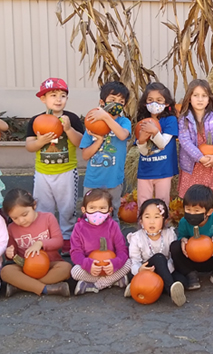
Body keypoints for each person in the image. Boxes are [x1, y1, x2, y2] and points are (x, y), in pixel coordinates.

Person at [25, 78, 85, 252]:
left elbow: (80, 142)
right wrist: (39, 141)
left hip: (66, 171)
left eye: (63, 95)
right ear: (43, 99)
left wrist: (68, 129)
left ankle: (67, 237)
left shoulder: (71, 118)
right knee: (44, 207)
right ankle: (47, 239)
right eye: (53, 95)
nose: (58, 99)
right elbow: (29, 146)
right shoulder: (36, 120)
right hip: (43, 172)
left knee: (67, 207)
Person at [1, 189, 72, 298]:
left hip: (50, 264)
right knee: (6, 271)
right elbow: (11, 254)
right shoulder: (12, 228)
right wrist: (9, 253)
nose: (21, 220)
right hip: (25, 267)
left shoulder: (48, 218)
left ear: (34, 205)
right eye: (15, 218)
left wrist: (40, 243)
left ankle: (23, 286)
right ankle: (46, 288)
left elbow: (59, 241)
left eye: (24, 214)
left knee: (66, 268)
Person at [80, 81, 132, 222]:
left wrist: (105, 117)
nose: (116, 104)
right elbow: (85, 155)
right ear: (102, 102)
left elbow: (122, 135)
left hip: (114, 180)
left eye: (121, 102)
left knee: (112, 213)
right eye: (112, 100)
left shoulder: (123, 122)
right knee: (90, 215)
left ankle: (113, 243)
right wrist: (98, 141)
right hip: (93, 180)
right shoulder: (92, 122)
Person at [170, 184, 213, 291]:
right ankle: (190, 274)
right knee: (175, 246)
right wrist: (183, 240)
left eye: (197, 211)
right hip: (192, 259)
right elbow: (182, 236)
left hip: (212, 258)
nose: (191, 214)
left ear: (209, 212)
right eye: (188, 210)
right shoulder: (184, 222)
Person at [125, 199, 187, 306]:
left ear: (165, 221)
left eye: (157, 217)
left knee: (183, 281)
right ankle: (170, 290)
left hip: (166, 269)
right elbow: (134, 261)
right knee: (159, 257)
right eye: (147, 217)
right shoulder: (136, 237)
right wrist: (140, 269)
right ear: (141, 221)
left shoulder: (169, 235)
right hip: (145, 271)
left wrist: (163, 271)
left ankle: (136, 288)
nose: (151, 221)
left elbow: (173, 259)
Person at [70, 189, 131, 295]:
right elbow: (75, 253)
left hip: (111, 267)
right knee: (75, 271)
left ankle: (95, 285)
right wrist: (87, 265)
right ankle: (114, 281)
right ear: (84, 209)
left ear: (110, 210)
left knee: (129, 263)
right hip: (91, 269)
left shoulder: (113, 226)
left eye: (102, 208)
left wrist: (116, 263)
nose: (97, 212)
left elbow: (122, 250)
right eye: (92, 208)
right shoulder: (79, 228)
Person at [177, 79, 213, 197]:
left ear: (209, 99)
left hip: (209, 164)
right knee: (191, 197)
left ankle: (206, 215)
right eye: (196, 95)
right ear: (189, 98)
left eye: (204, 96)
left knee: (206, 198)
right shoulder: (185, 119)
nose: (200, 99)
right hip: (192, 165)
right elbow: (185, 141)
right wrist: (199, 157)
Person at [135, 82, 179, 206]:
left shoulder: (170, 120)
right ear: (145, 103)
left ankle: (163, 225)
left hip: (164, 170)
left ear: (166, 103)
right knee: (143, 203)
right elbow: (143, 151)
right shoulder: (142, 122)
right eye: (150, 100)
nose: (154, 103)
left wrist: (154, 131)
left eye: (159, 100)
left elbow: (162, 144)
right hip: (145, 170)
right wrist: (142, 141)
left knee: (163, 202)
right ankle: (142, 224)